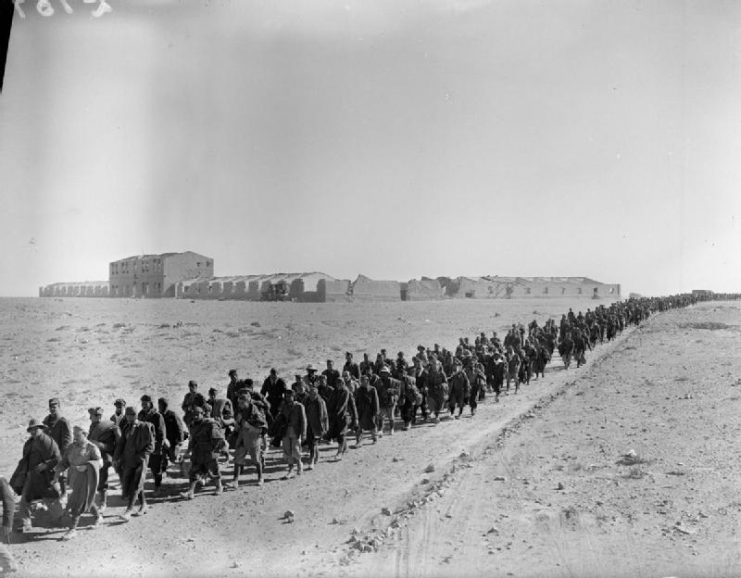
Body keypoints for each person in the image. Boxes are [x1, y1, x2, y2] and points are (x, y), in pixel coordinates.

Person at [13, 419, 63, 532]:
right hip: (31, 475)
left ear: (41, 428)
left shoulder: (47, 441)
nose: (33, 431)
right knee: (25, 498)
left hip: (44, 477)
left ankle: (61, 519)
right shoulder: (30, 442)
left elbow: (58, 458)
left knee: (50, 498)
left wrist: (46, 465)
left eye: (36, 429)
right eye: (31, 429)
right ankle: (25, 523)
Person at [53, 426, 103, 540]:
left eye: (78, 435)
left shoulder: (92, 448)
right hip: (74, 478)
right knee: (85, 500)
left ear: (85, 435)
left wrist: (86, 466)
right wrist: (57, 472)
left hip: (87, 478)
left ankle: (72, 529)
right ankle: (98, 517)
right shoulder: (71, 447)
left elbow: (100, 463)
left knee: (77, 502)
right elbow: (65, 462)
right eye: (74, 435)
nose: (75, 438)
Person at [113, 407, 154, 521]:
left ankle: (128, 511)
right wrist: (116, 458)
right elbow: (121, 444)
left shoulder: (145, 427)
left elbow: (150, 446)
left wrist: (140, 457)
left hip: (141, 461)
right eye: (127, 415)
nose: (129, 417)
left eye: (132, 415)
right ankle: (144, 505)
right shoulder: (126, 427)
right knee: (134, 483)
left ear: (136, 415)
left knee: (136, 484)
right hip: (129, 461)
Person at [180, 406, 226, 499]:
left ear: (202, 414)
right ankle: (190, 492)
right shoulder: (193, 425)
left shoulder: (210, 424)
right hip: (198, 452)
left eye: (197, 415)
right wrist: (188, 451)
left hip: (209, 452)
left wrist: (215, 451)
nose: (195, 417)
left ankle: (219, 487)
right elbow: (192, 440)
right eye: (194, 415)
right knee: (193, 471)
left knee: (213, 471)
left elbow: (218, 439)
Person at [87, 406, 121, 513]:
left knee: (102, 480)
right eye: (95, 416)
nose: (98, 418)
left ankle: (103, 503)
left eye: (99, 416)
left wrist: (100, 445)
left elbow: (115, 445)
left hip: (105, 457)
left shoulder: (109, 426)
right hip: (94, 457)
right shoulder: (92, 426)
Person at [230, 393, 267, 487]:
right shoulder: (240, 411)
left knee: (256, 459)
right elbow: (238, 424)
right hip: (242, 437)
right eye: (239, 403)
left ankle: (260, 478)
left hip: (253, 439)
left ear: (248, 402)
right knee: (238, 459)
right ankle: (235, 481)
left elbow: (261, 428)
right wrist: (237, 425)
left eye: (242, 403)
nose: (240, 405)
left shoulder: (256, 413)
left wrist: (249, 426)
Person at [138, 395, 167, 493]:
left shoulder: (157, 416)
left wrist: (158, 448)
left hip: (154, 446)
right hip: (143, 446)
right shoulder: (140, 415)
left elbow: (161, 434)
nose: (143, 405)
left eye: (145, 403)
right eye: (142, 403)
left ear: (150, 403)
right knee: (142, 467)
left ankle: (158, 486)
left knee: (156, 469)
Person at [43, 398, 71, 495]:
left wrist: (62, 456)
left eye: (54, 407)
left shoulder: (63, 422)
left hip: (60, 453)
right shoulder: (46, 421)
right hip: (49, 453)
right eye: (50, 407)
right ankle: (53, 494)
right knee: (47, 475)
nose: (52, 409)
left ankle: (64, 494)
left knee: (61, 474)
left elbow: (67, 441)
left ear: (59, 407)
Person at [327, 375, 357, 460]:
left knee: (341, 434)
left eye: (340, 383)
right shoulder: (334, 392)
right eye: (337, 383)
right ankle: (345, 448)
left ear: (343, 383)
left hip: (345, 416)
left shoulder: (346, 392)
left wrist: (356, 418)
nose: (339, 385)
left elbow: (351, 406)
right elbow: (330, 403)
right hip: (335, 416)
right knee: (338, 433)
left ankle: (339, 452)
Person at [279, 389, 306, 479]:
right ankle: (290, 469)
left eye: (290, 396)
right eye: (286, 396)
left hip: (296, 430)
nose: (288, 398)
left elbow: (303, 420)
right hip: (286, 430)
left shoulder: (299, 406)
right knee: (287, 450)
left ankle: (299, 464)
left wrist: (303, 433)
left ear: (294, 396)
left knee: (296, 449)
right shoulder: (283, 406)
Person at [303, 385, 328, 470]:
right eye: (310, 394)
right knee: (311, 443)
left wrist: (325, 427)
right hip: (308, 425)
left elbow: (324, 416)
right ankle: (316, 455)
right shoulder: (306, 401)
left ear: (317, 394)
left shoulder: (321, 402)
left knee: (313, 443)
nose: (312, 396)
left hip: (317, 426)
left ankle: (311, 461)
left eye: (314, 394)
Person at [158, 397, 187, 464]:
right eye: (160, 405)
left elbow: (179, 427)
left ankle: (180, 458)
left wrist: (180, 440)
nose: (161, 407)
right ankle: (163, 469)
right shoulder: (158, 415)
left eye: (163, 405)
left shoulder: (172, 415)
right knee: (162, 457)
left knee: (173, 459)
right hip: (163, 440)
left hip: (173, 441)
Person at [354, 375, 379, 447]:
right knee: (359, 427)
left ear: (367, 381)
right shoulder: (358, 390)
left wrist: (376, 411)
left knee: (372, 426)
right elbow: (356, 401)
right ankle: (358, 441)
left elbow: (376, 401)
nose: (361, 382)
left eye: (363, 380)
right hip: (361, 411)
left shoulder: (372, 389)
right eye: (361, 381)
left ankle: (375, 438)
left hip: (370, 411)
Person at [0, 476, 18, 573]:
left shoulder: (1, 480)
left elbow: (9, 502)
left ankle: (9, 565)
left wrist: (7, 523)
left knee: (10, 565)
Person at [376, 366, 400, 436]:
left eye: (385, 373)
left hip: (390, 401)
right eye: (382, 373)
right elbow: (376, 391)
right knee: (381, 417)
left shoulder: (393, 381)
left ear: (388, 374)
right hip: (381, 401)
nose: (383, 374)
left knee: (391, 416)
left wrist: (391, 391)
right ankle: (380, 430)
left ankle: (391, 429)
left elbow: (398, 391)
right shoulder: (378, 381)